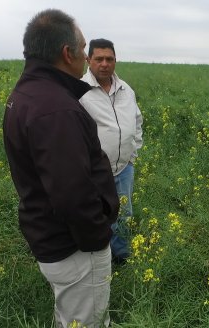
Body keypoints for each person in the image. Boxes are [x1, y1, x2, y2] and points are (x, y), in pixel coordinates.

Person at [2, 9, 118, 328]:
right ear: (67, 54)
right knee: (87, 322)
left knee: (70, 317)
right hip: (75, 248)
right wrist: (98, 238)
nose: (85, 57)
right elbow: (72, 195)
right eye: (82, 50)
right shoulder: (56, 110)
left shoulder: (26, 95)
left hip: (48, 236)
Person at [80, 38, 143, 263]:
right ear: (88, 60)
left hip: (124, 167)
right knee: (96, 215)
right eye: (99, 59)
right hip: (94, 172)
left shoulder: (126, 90)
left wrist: (132, 156)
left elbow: (137, 122)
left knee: (124, 214)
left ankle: (122, 256)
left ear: (115, 60)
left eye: (110, 59)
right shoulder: (79, 90)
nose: (105, 64)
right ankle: (98, 258)